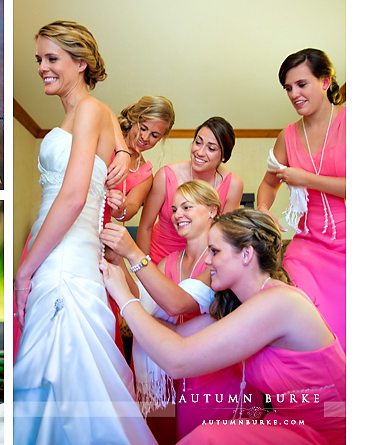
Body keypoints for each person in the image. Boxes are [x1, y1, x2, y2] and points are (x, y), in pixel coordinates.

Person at [13, 21, 156, 445]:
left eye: (52, 58)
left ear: (81, 63)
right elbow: (112, 145)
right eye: (39, 58)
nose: (41, 67)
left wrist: (24, 272)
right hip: (60, 247)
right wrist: (125, 151)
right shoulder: (90, 113)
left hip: (62, 256)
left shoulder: (91, 109)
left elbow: (74, 197)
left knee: (63, 376)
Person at [101, 208, 345, 444]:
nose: (206, 261)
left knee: (207, 438)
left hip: (328, 430)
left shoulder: (280, 302)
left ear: (247, 254)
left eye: (215, 251)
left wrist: (125, 299)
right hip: (289, 423)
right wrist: (122, 278)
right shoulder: (243, 304)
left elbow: (178, 361)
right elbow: (177, 334)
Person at [101, 181, 260, 443]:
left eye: (187, 207)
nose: (177, 215)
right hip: (168, 372)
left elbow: (177, 303)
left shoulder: (221, 261)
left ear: (212, 210)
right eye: (174, 209)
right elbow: (143, 299)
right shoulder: (169, 261)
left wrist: (133, 253)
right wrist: (118, 259)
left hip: (211, 373)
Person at [257, 48, 346, 351]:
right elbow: (269, 184)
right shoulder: (287, 136)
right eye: (288, 88)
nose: (294, 93)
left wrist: (305, 179)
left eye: (301, 84)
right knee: (299, 324)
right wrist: (263, 209)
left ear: (325, 81)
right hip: (307, 246)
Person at [137, 117, 244, 265]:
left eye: (211, 148)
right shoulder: (166, 175)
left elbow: (223, 236)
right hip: (160, 257)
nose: (200, 152)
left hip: (202, 262)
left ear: (224, 156)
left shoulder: (233, 185)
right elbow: (145, 227)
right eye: (198, 142)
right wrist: (144, 267)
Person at [107, 96, 176, 223]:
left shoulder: (145, 174)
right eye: (143, 128)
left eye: (154, 135)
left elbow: (132, 207)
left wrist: (121, 210)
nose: (144, 137)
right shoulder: (107, 140)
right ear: (133, 120)